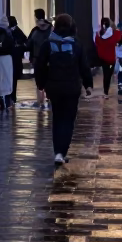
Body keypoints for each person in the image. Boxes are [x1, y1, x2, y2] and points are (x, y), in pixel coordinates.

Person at [34, 13, 93, 165]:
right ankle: (62, 151)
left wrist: (41, 84)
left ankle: (57, 152)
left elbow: (40, 66)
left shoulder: (48, 44)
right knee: (68, 120)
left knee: (57, 119)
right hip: (72, 87)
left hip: (54, 87)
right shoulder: (76, 44)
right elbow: (84, 66)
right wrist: (88, 85)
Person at [26, 8, 52, 106]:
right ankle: (49, 98)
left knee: (39, 80)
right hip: (49, 59)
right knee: (48, 78)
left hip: (37, 59)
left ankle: (40, 100)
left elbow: (29, 44)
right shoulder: (51, 28)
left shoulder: (35, 30)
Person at [94, 17, 122, 97]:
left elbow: (97, 42)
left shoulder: (100, 33)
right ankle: (106, 90)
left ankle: (105, 90)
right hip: (111, 58)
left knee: (105, 74)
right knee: (109, 75)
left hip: (103, 57)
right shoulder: (114, 34)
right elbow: (119, 38)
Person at [8, 15, 27, 104]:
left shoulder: (9, 31)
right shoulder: (18, 31)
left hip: (11, 58)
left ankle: (10, 96)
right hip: (16, 58)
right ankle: (12, 96)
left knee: (11, 78)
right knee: (14, 78)